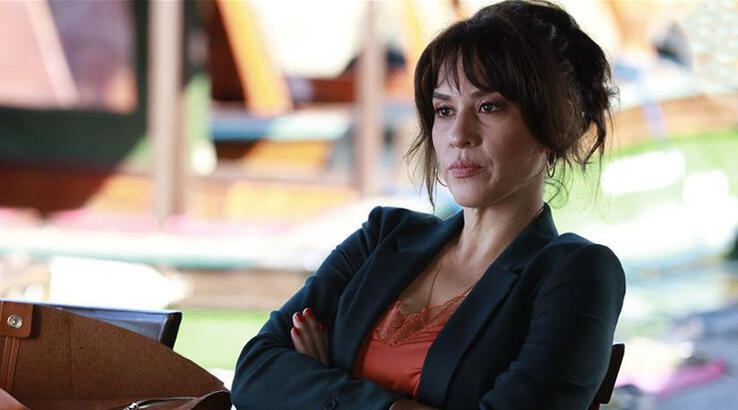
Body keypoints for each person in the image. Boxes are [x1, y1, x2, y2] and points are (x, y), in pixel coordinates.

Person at [231, 1, 625, 409]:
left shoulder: (575, 274)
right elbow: (256, 372)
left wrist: (322, 382)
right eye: (444, 110)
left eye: (489, 106)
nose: (458, 134)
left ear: (554, 125)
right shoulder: (382, 237)